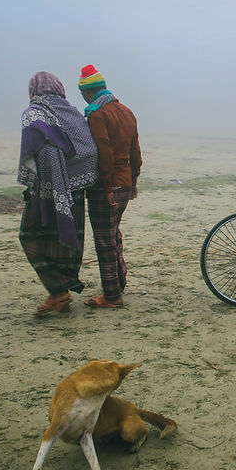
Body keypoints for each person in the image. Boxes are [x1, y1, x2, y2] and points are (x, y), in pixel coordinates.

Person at [18, 71, 99, 316]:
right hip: (74, 192)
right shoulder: (73, 113)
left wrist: (52, 182)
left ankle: (58, 292)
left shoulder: (34, 114)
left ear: (33, 90)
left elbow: (34, 154)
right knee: (63, 245)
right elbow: (89, 151)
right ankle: (62, 290)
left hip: (45, 193)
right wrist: (72, 176)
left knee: (29, 236)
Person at [78, 64, 142, 309]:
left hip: (107, 186)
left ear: (87, 92)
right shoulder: (126, 112)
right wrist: (133, 181)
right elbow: (135, 152)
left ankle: (112, 296)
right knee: (113, 235)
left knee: (104, 240)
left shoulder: (97, 115)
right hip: (124, 183)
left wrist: (104, 188)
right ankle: (118, 281)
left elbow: (104, 153)